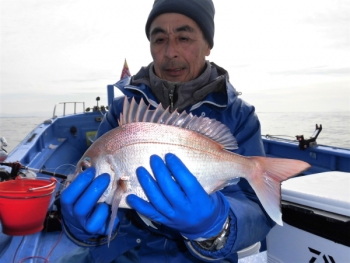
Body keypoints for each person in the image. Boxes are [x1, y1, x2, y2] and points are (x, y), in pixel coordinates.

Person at [59, 0, 274, 262]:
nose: (170, 52)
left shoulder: (240, 116)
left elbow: (259, 212)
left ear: (207, 45)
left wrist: (217, 226)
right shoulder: (121, 111)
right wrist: (81, 227)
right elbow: (100, 209)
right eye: (159, 39)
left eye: (183, 37)